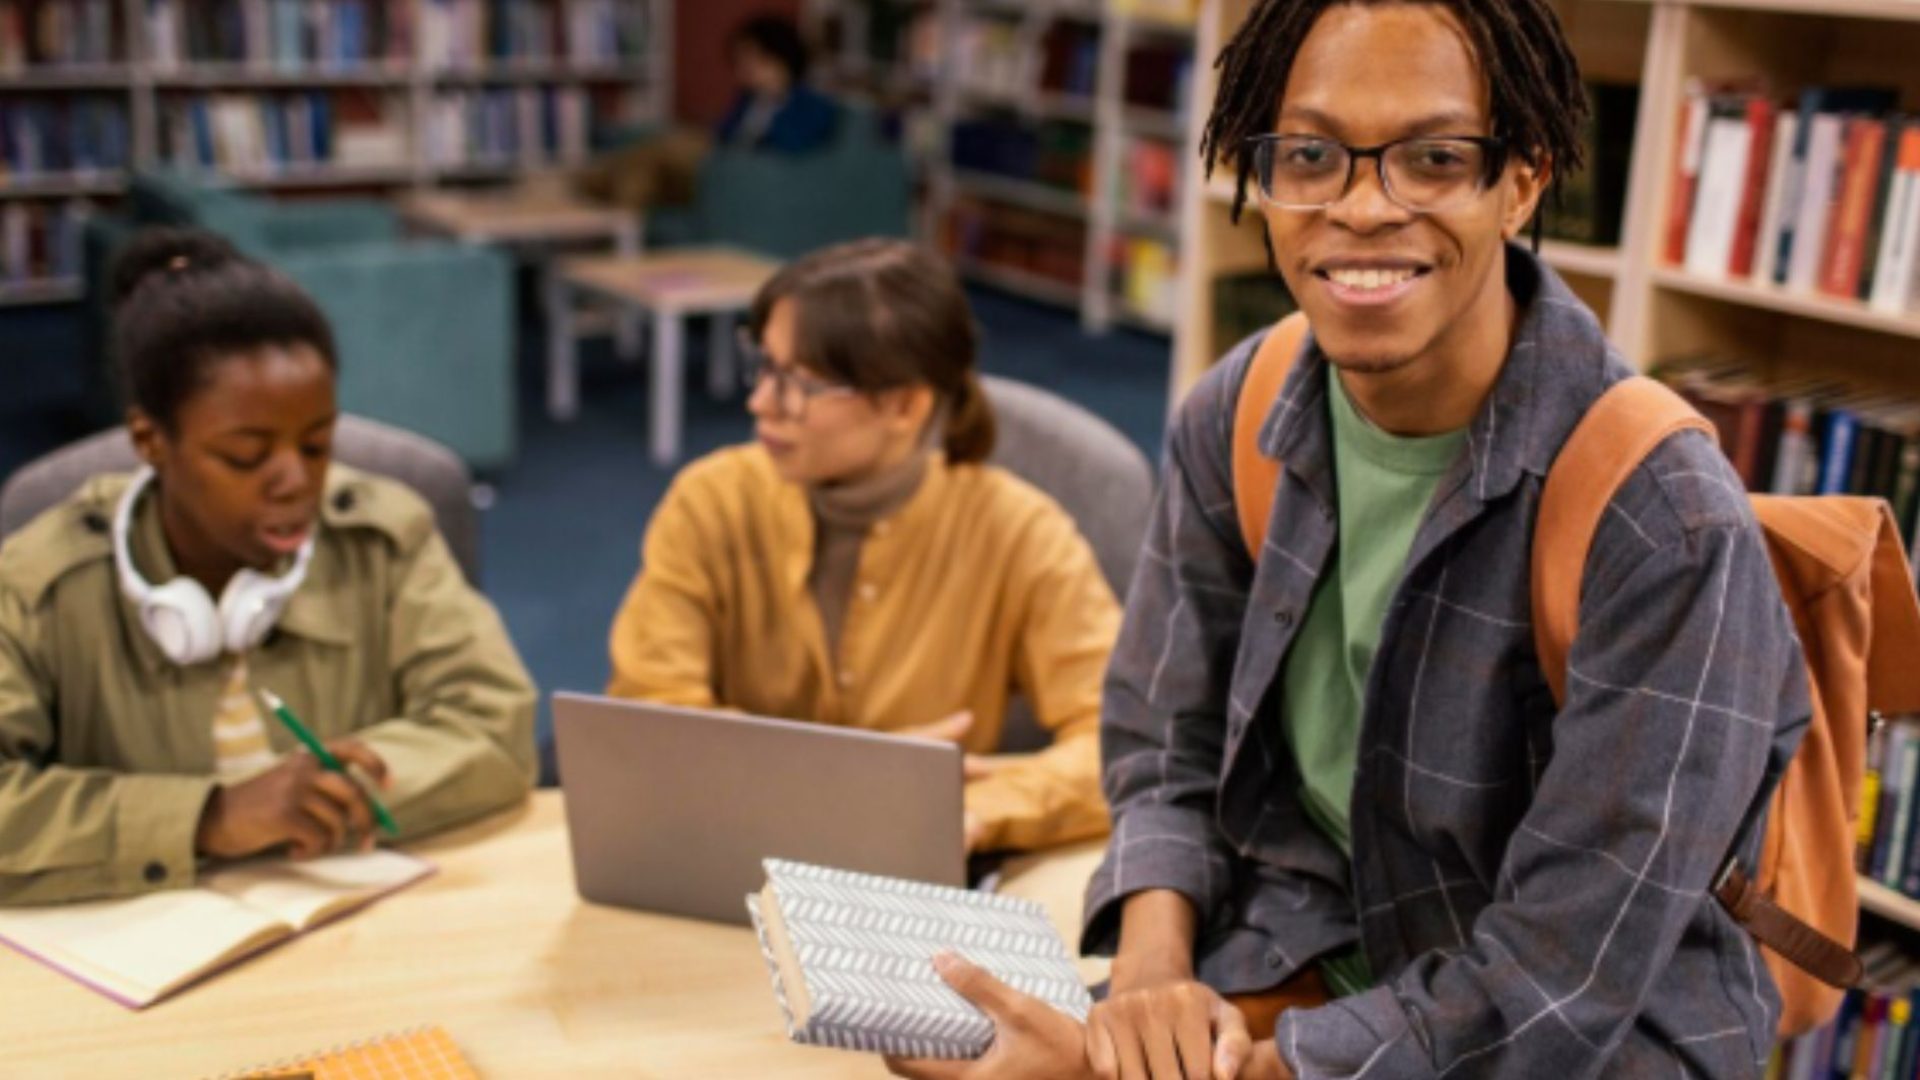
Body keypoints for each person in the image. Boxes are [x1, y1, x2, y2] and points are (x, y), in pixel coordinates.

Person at [885, 2, 1810, 1077]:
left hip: (1571, 1045)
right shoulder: (1240, 407)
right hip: (1306, 956)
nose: (1363, 208)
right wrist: (1145, 988)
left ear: (1523, 181)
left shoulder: (1665, 521)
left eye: (1435, 159)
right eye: (1311, 156)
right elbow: (1165, 743)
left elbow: (1559, 980)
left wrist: (1182, 1072)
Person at [0, 229, 538, 907]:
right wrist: (210, 817)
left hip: (357, 922)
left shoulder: (385, 535)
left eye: (316, 446)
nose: (295, 482)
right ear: (150, 440)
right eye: (246, 456)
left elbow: (494, 726)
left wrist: (326, 797)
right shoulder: (39, 582)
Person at [606, 238, 1119, 855]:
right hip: (731, 844)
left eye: (798, 384)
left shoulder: (1018, 530)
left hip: (918, 856)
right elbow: (649, 713)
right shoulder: (711, 500)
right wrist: (851, 778)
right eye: (763, 366)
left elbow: (1126, 742)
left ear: (904, 405)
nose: (759, 401)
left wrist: (982, 811)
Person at [716, 14, 838, 155]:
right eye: (739, 62)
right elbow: (724, 136)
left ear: (781, 59)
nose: (744, 70)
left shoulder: (813, 104)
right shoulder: (746, 100)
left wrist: (776, 99)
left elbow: (793, 147)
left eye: (755, 60)